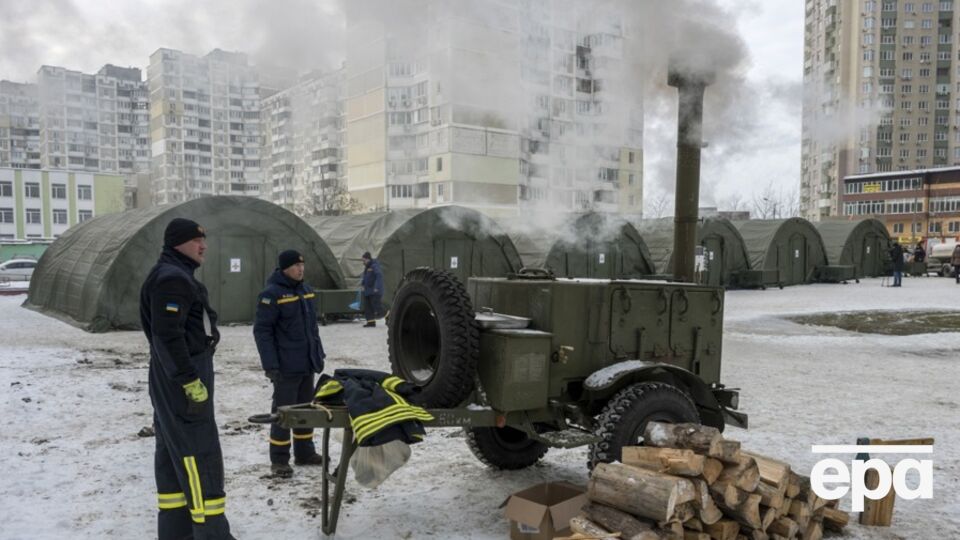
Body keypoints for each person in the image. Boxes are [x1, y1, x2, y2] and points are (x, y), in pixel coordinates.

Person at [139, 218, 233, 539]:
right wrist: (188, 380)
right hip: (182, 381)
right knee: (198, 455)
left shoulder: (173, 275)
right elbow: (167, 335)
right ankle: (211, 533)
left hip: (172, 377)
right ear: (178, 243)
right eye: (196, 241)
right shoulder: (172, 279)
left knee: (171, 453)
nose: (203, 246)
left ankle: (176, 532)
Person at [253, 249, 326, 478]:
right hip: (285, 366)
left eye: (302, 265)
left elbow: (312, 329)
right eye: (296, 266)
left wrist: (318, 354)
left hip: (307, 362)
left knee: (306, 409)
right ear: (285, 268)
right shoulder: (271, 294)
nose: (301, 269)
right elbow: (262, 332)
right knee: (283, 413)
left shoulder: (306, 291)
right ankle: (279, 459)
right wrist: (270, 365)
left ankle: (305, 453)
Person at [360, 251, 385, 328]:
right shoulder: (367, 267)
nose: (363, 262)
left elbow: (379, 276)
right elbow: (365, 277)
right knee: (368, 307)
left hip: (374, 291)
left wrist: (377, 287)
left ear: (368, 259)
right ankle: (370, 322)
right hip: (368, 291)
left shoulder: (374, 265)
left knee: (377, 306)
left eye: (364, 260)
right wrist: (363, 284)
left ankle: (389, 316)